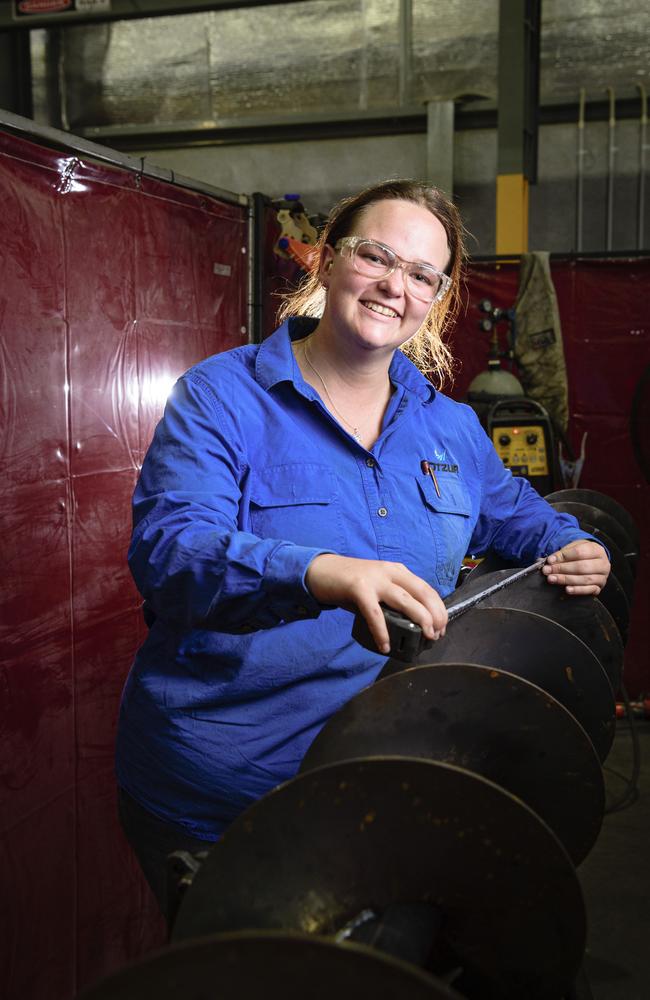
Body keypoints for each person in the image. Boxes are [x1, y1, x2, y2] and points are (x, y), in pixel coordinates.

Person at [115, 179, 610, 916]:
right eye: (374, 256)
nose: (392, 285)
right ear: (326, 263)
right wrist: (315, 571)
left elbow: (519, 516)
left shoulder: (451, 428)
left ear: (435, 298)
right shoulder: (223, 396)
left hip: (381, 770)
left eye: (420, 275)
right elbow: (170, 553)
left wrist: (575, 544)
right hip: (227, 789)